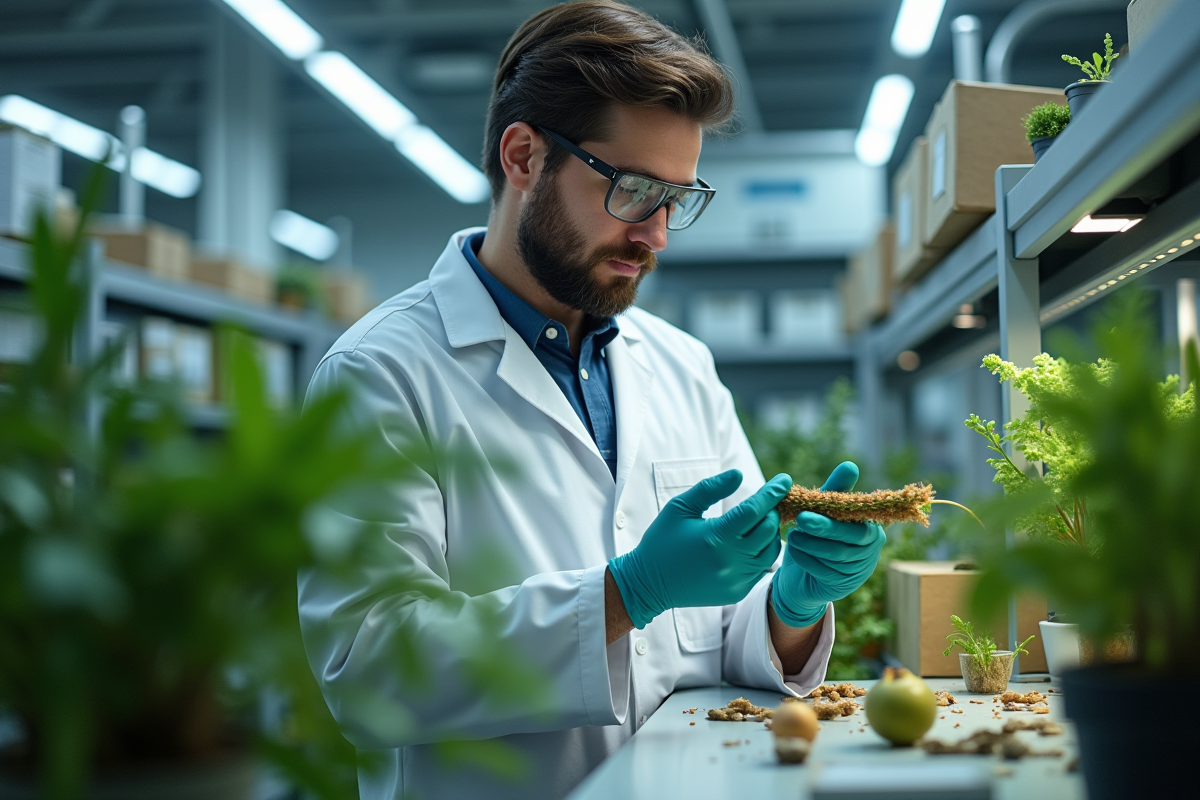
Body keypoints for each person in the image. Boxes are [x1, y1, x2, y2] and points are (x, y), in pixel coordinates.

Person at [298, 2, 885, 798]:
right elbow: (368, 670)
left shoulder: (681, 366)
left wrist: (790, 600)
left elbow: (724, 626)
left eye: (680, 199)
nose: (658, 236)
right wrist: (626, 594)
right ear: (524, 156)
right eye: (636, 190)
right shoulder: (380, 373)